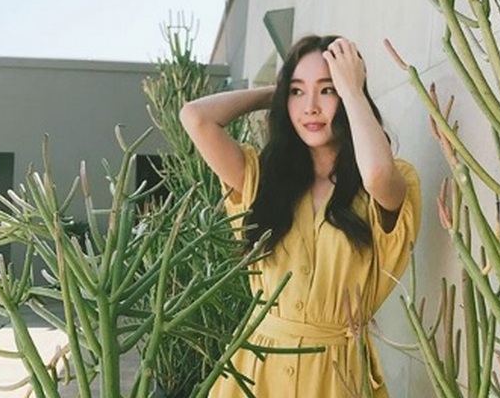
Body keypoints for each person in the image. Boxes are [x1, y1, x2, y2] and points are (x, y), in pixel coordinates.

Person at [179, 34, 421, 398]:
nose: (310, 107)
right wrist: (276, 95)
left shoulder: (390, 180)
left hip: (334, 375)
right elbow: (196, 118)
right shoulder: (260, 178)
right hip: (255, 372)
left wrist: (352, 91)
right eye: (297, 91)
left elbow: (376, 175)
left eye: (327, 90)